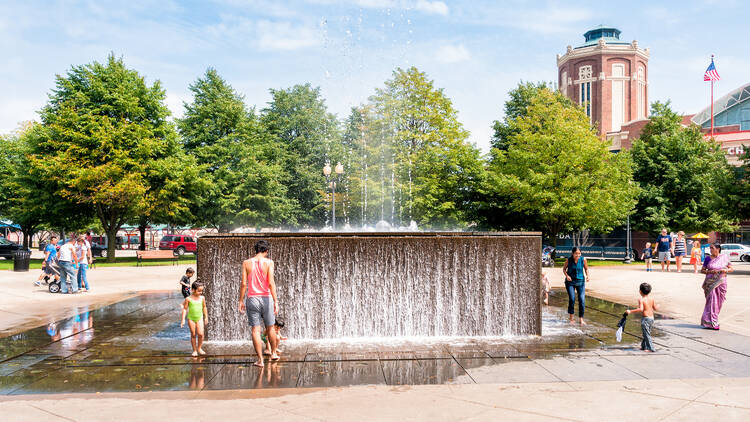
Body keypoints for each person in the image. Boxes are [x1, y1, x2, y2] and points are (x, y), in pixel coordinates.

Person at [239, 240, 279, 367]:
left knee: (255, 330)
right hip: (267, 298)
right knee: (270, 327)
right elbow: (271, 283)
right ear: (266, 251)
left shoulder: (246, 263)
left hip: (252, 298)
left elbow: (244, 284)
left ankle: (260, 360)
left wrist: (241, 300)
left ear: (256, 250)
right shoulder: (269, 262)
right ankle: (273, 353)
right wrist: (276, 301)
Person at [700, 243, 734, 330]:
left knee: (718, 303)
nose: (710, 250)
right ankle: (711, 323)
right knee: (712, 302)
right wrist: (710, 272)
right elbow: (702, 270)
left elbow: (731, 268)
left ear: (718, 249)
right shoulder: (708, 258)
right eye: (710, 248)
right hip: (710, 283)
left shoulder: (724, 257)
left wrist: (725, 270)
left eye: (712, 248)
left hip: (721, 282)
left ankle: (711, 321)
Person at [626, 282, 659, 352]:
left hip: (646, 319)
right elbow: (655, 308)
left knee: (646, 334)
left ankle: (651, 348)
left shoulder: (641, 300)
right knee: (646, 333)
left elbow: (641, 309)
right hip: (651, 318)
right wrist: (658, 306)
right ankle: (644, 346)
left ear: (640, 291)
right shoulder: (652, 299)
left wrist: (630, 311)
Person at [562, 247, 590, 325]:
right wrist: (567, 276)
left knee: (582, 300)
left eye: (579, 253)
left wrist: (588, 276)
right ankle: (571, 318)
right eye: (576, 254)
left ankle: (581, 319)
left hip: (580, 281)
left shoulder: (583, 259)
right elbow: (564, 269)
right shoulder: (568, 260)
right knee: (572, 298)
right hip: (570, 282)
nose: (578, 255)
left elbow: (586, 269)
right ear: (572, 253)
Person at [181, 281, 208, 357]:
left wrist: (206, 317)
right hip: (191, 318)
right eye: (199, 291)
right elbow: (185, 309)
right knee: (193, 334)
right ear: (193, 290)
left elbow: (204, 307)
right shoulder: (188, 299)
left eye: (201, 291)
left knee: (200, 334)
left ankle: (199, 348)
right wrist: (183, 319)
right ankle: (194, 350)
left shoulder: (202, 298)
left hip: (199, 318)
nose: (201, 292)